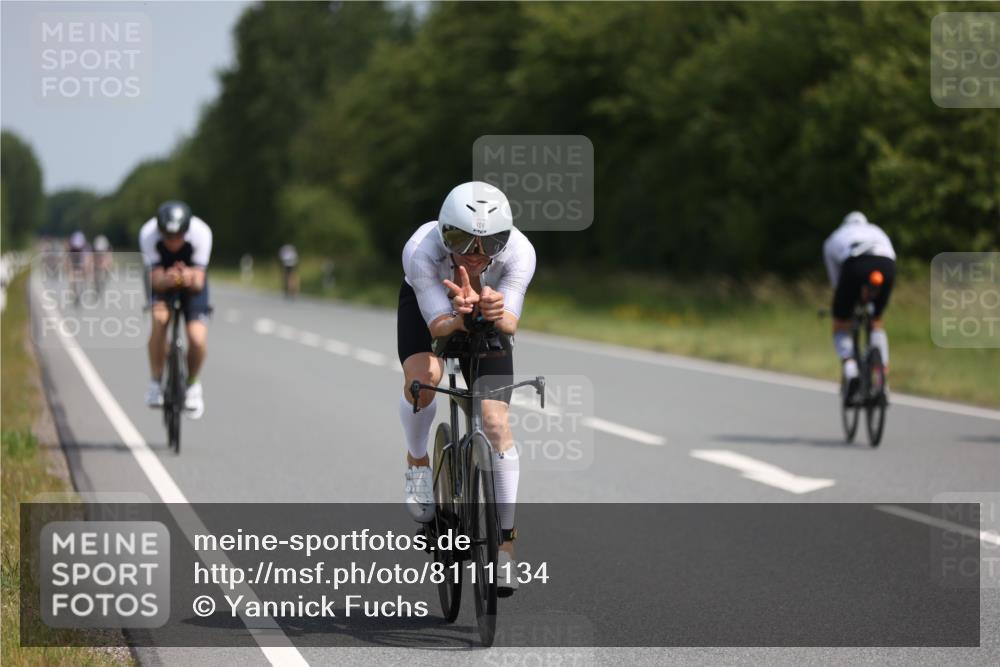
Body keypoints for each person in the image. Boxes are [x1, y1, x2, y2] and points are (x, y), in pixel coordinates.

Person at [398, 181, 535, 596]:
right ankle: (417, 461)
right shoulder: (421, 250)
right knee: (424, 385)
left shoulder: (520, 253)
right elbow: (438, 327)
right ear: (442, 232)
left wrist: (490, 310)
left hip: (485, 315)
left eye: (489, 244)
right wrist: (459, 314)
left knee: (495, 424)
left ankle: (506, 546)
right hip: (433, 307)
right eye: (460, 240)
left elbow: (510, 322)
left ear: (504, 242)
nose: (475, 255)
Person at [139, 201, 213, 419]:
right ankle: (155, 382)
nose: (173, 242)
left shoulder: (201, 233)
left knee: (197, 338)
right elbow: (154, 279)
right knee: (159, 320)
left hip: (193, 284)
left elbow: (199, 281)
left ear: (186, 230)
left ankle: (192, 385)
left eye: (178, 236)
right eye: (167, 236)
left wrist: (188, 277)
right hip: (161, 280)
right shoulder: (148, 233)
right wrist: (168, 278)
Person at [822, 211, 896, 399]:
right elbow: (891, 255)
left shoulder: (834, 238)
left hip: (855, 264)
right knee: (876, 321)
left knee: (840, 324)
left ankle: (850, 366)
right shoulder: (876, 230)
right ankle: (882, 377)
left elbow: (837, 282)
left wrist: (843, 304)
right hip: (886, 266)